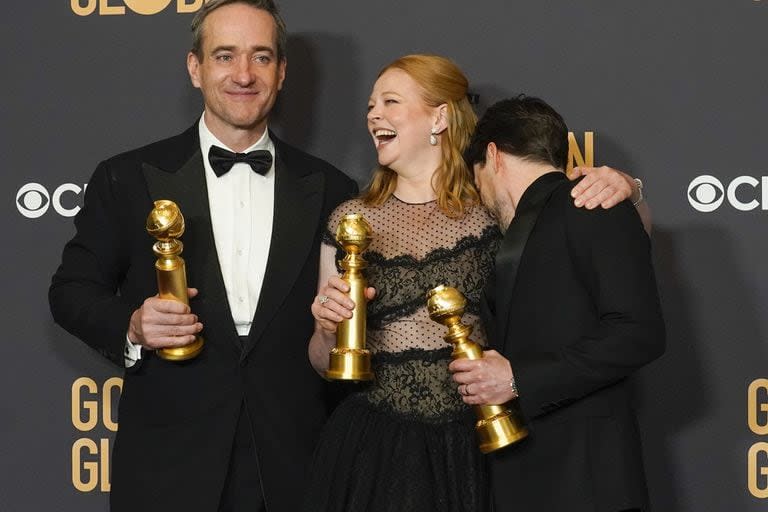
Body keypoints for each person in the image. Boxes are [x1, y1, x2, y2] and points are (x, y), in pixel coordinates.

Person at [48, 1, 357, 511]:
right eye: (224, 56)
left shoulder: (332, 189)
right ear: (195, 68)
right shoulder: (126, 176)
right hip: (168, 462)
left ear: (282, 72)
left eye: (260, 57)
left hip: (292, 465)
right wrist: (133, 324)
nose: (243, 75)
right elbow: (70, 291)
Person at [305, 55, 644, 512]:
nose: (373, 114)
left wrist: (627, 186)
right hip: (374, 446)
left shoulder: (497, 207)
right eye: (370, 105)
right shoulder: (349, 221)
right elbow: (325, 365)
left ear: (440, 117)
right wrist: (327, 330)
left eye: (390, 101)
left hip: (479, 443)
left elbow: (607, 250)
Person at [454, 95, 666, 511]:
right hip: (523, 478)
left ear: (493, 156)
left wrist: (517, 378)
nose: (479, 194)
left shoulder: (594, 204)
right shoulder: (516, 234)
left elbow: (639, 333)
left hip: (588, 483)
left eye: (476, 176)